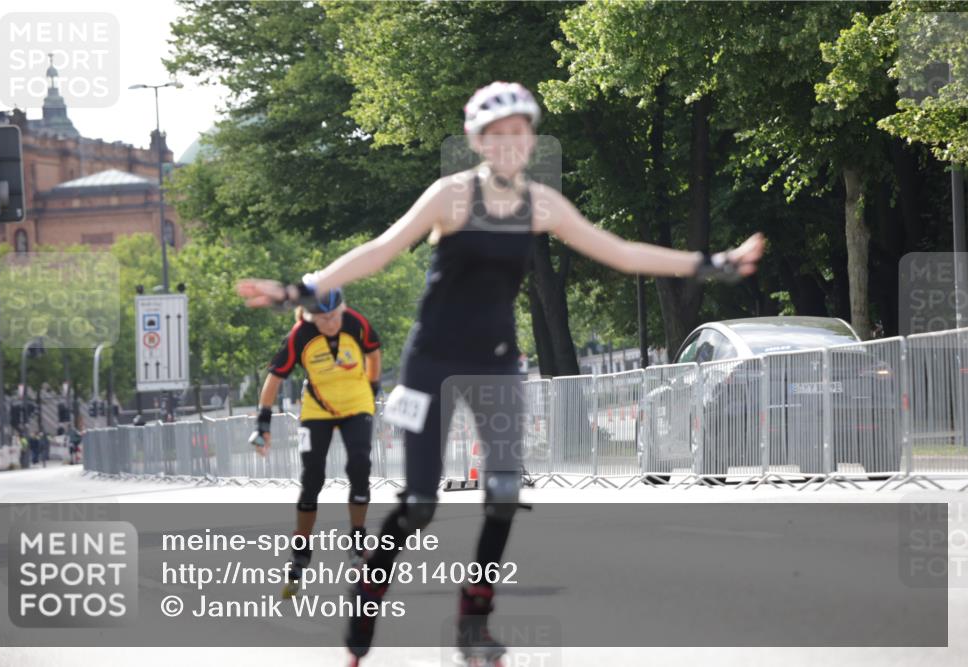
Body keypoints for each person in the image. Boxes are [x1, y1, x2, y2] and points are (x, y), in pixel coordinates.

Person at [238, 81, 764, 665]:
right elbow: (381, 250)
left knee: (506, 491)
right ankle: (368, 595)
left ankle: (474, 619)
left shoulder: (543, 204)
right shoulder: (451, 197)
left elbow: (619, 251)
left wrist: (710, 264)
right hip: (431, 363)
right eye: (499, 135)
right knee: (419, 503)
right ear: (479, 141)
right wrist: (301, 290)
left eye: (521, 133)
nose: (512, 144)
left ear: (531, 139)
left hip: (495, 363)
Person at [248, 293, 382, 597]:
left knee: (360, 465)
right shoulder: (300, 336)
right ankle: (301, 551)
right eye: (324, 319)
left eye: (335, 315)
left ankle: (358, 542)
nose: (332, 323)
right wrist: (263, 423)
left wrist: (372, 389)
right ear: (309, 317)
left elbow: (373, 352)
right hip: (318, 409)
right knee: (312, 479)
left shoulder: (356, 323)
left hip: (357, 404)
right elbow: (274, 379)